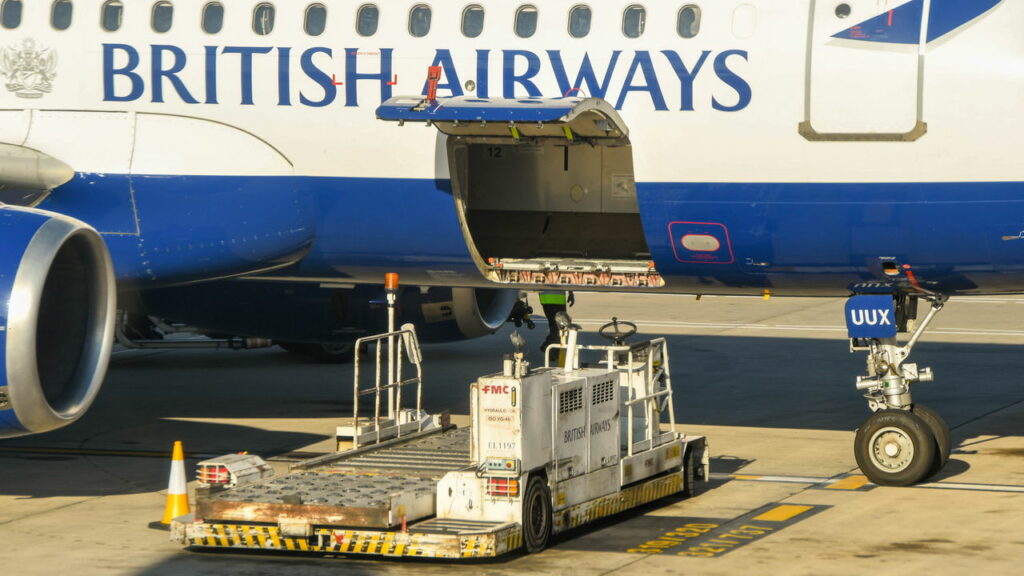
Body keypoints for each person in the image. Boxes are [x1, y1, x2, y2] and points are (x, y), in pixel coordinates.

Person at [538, 290, 574, 354]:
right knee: (558, 326)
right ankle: (550, 348)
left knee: (553, 325)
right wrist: (571, 292)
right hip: (559, 299)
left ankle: (550, 346)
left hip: (546, 298)